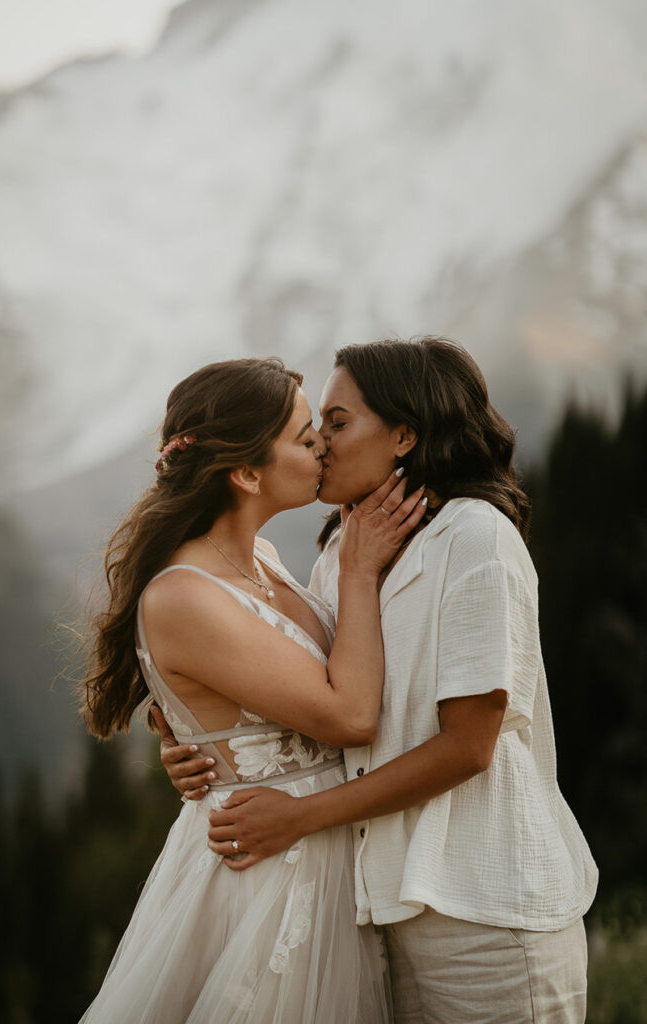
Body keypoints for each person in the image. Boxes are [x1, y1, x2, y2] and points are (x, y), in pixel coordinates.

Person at [162, 338, 599, 1024]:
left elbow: (467, 747)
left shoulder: (474, 537)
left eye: (337, 424)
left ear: (403, 434)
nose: (321, 446)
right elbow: (315, 698)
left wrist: (298, 817)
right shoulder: (342, 552)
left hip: (486, 907)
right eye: (315, 430)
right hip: (380, 908)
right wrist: (200, 745)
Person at [78, 356, 428, 1024]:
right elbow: (349, 714)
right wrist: (357, 572)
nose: (322, 444)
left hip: (326, 853)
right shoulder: (182, 595)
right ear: (243, 473)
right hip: (266, 873)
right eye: (304, 438)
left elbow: (255, 698)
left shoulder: (263, 558)